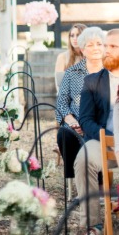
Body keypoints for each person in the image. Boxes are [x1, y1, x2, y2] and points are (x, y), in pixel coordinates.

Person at [74, 29, 119, 234]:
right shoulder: (91, 81)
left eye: (113, 47)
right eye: (105, 45)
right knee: (83, 159)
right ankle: (93, 224)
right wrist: (109, 137)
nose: (105, 51)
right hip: (102, 140)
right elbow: (85, 119)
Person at [55, 27, 105, 179]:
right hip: (76, 126)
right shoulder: (72, 73)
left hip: (101, 126)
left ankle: (100, 181)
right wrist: (72, 122)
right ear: (82, 50)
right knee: (64, 134)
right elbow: (61, 102)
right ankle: (77, 180)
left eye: (99, 44)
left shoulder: (112, 72)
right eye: (90, 45)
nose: (95, 48)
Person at [55, 23, 87, 90]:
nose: (74, 38)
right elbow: (59, 84)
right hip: (67, 96)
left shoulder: (90, 56)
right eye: (72, 36)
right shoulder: (63, 57)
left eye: (78, 35)